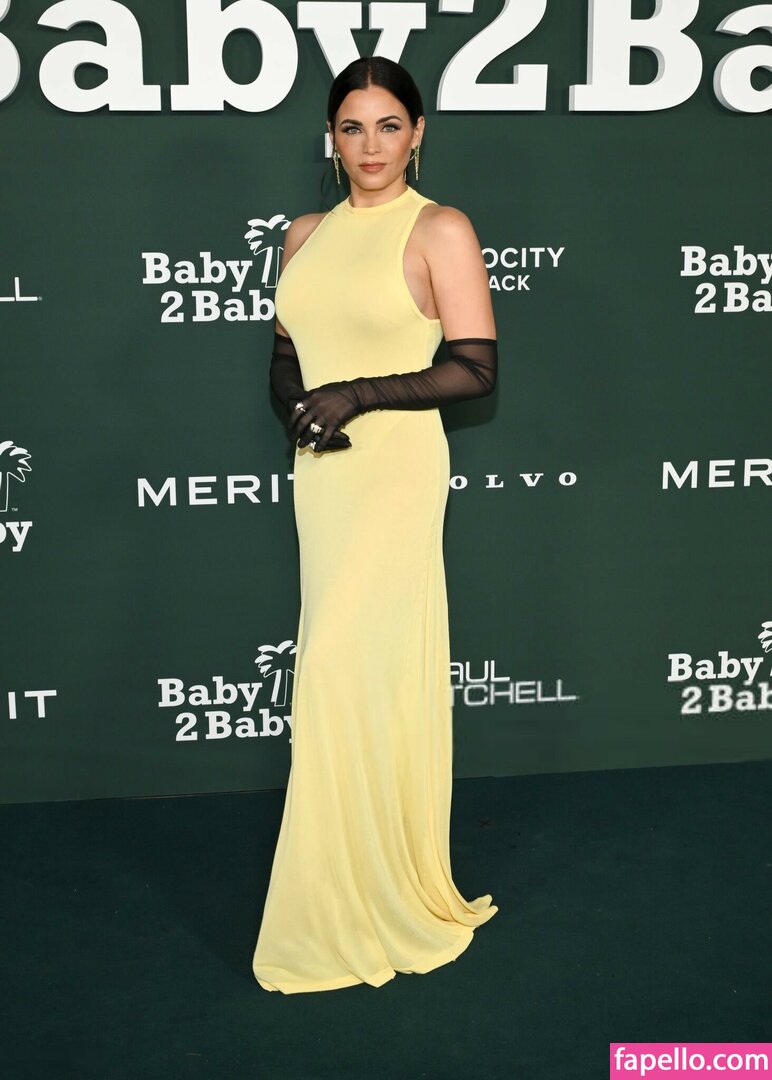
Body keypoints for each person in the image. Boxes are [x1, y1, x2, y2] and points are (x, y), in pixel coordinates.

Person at [252, 55, 499, 994]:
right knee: (337, 673)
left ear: (418, 132)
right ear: (331, 137)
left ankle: (373, 887)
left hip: (393, 472)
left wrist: (355, 393)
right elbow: (287, 347)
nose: (370, 146)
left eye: (389, 125)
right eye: (352, 127)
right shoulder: (303, 234)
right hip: (324, 476)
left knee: (345, 670)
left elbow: (475, 368)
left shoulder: (440, 228)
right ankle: (337, 881)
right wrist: (296, 404)